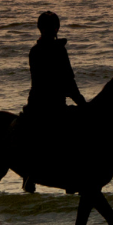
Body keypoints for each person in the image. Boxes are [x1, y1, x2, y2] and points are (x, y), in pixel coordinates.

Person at [14, 11, 88, 193]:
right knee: (75, 133)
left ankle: (30, 174)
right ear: (55, 29)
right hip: (52, 104)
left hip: (37, 104)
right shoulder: (57, 50)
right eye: (52, 27)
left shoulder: (36, 50)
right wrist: (83, 103)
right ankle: (72, 176)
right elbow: (68, 82)